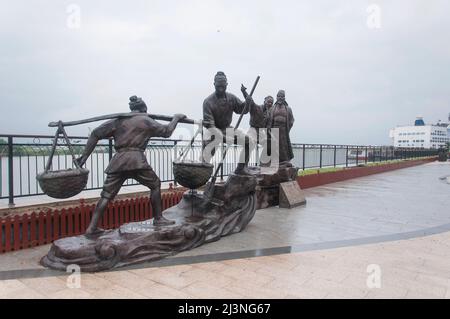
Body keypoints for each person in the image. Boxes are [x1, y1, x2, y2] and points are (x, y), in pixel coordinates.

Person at [76, 96, 186, 235]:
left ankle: (91, 228)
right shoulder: (146, 120)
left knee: (106, 196)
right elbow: (167, 132)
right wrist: (176, 118)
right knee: (155, 185)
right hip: (136, 161)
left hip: (118, 162)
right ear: (144, 109)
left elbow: (95, 134)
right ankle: (158, 218)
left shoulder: (118, 120)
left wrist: (84, 157)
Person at [202, 71, 255, 175]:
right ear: (214, 84)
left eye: (223, 85)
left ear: (226, 84)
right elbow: (210, 125)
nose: (221, 87)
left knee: (250, 142)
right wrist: (224, 137)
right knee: (206, 156)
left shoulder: (231, 98)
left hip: (228, 129)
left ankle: (241, 168)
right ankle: (202, 176)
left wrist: (247, 99)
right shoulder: (208, 102)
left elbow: (242, 110)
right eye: (218, 85)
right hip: (213, 131)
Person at [266, 90, 295, 166]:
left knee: (284, 147)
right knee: (274, 146)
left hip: (283, 130)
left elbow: (291, 120)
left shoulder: (288, 109)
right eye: (279, 96)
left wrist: (287, 129)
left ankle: (284, 161)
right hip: (274, 130)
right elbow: (268, 120)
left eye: (282, 96)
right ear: (276, 97)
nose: (280, 98)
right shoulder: (272, 108)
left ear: (284, 98)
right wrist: (269, 129)